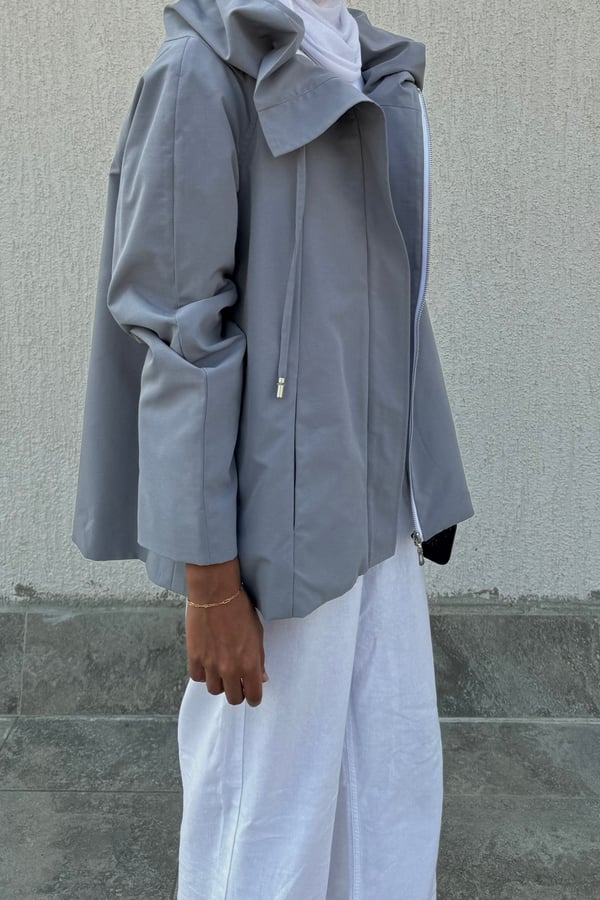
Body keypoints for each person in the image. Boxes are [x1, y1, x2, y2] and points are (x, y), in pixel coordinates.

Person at [72, 0, 475, 896]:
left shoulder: (358, 54)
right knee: (264, 832)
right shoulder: (201, 72)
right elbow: (176, 336)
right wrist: (211, 582)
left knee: (389, 806)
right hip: (274, 542)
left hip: (377, 520)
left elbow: (382, 307)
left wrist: (422, 476)